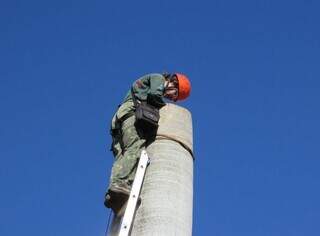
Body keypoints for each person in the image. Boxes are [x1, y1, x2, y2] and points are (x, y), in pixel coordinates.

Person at [104, 72, 191, 213]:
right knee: (135, 147)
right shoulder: (158, 78)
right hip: (130, 114)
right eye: (174, 94)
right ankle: (121, 184)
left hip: (120, 119)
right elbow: (154, 95)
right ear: (174, 82)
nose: (170, 98)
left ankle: (114, 191)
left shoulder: (149, 82)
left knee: (122, 155)